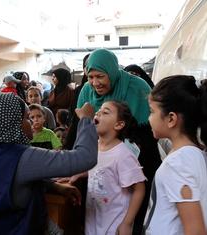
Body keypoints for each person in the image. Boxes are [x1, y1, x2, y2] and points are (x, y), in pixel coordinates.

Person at [0, 93, 98, 235]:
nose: (30, 123)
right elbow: (85, 158)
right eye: (26, 118)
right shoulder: (21, 155)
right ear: (11, 124)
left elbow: (5, 183)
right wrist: (86, 119)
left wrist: (53, 186)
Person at [77, 48, 161, 234]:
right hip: (101, 166)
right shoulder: (86, 92)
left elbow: (148, 135)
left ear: (112, 72)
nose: (95, 83)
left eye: (100, 76)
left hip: (137, 162)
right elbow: (79, 130)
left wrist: (120, 150)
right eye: (90, 77)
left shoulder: (137, 88)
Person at [70, 101, 146, 234]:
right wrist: (81, 173)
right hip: (94, 221)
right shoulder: (95, 146)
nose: (98, 112)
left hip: (114, 225)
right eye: (98, 111)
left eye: (105, 112)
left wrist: (127, 223)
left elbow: (139, 188)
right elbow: (102, 168)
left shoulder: (123, 154)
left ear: (119, 124)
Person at [143, 75, 207, 234]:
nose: (148, 118)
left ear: (171, 118)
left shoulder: (179, 163)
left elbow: (195, 230)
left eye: (152, 111)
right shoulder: (193, 154)